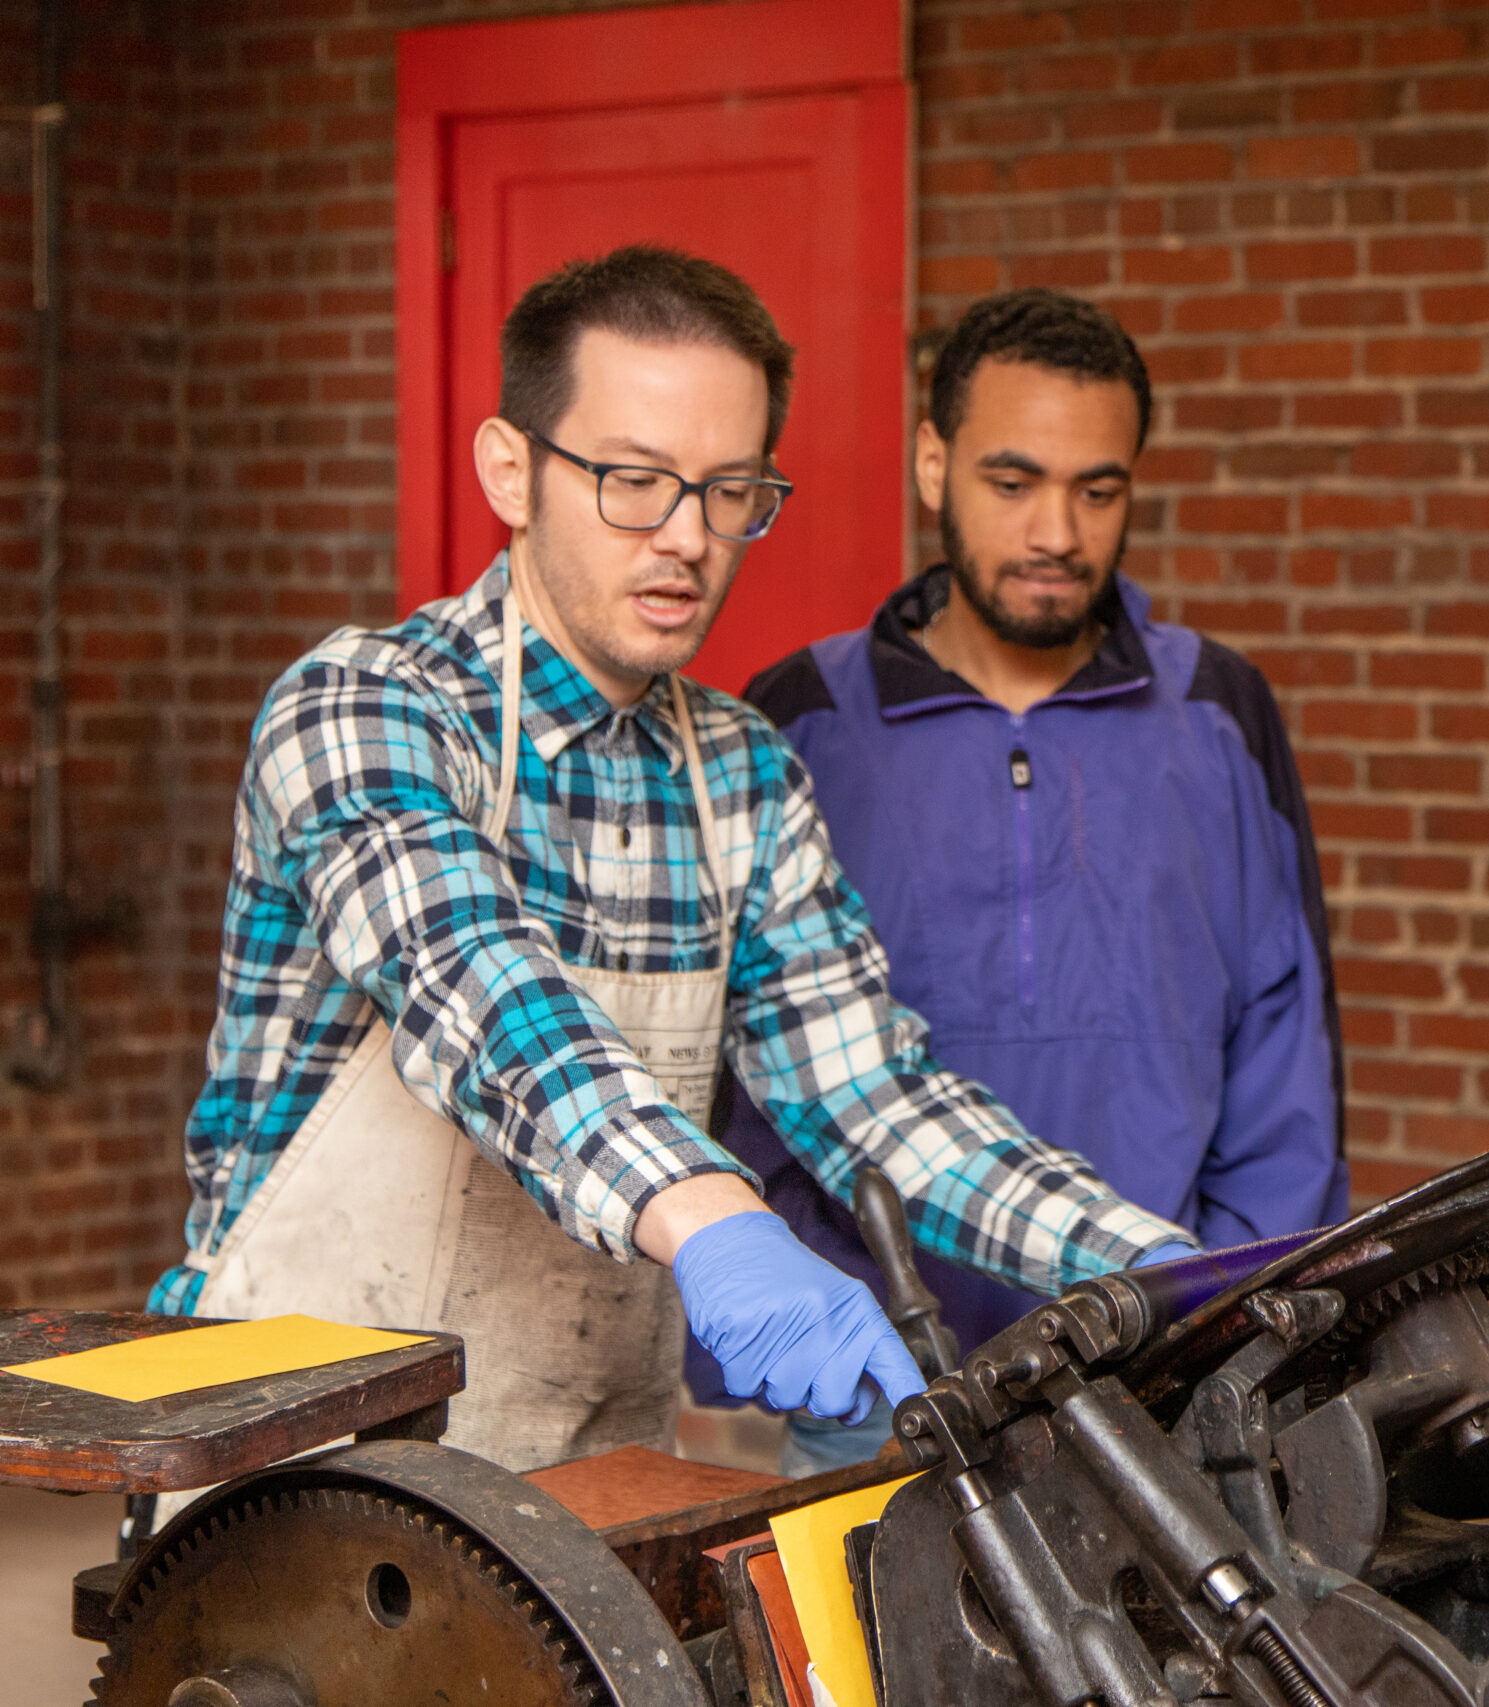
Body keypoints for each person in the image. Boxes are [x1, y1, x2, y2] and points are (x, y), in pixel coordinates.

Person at [155, 247, 1198, 1474]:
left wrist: (1146, 1264)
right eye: (635, 483)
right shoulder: (362, 709)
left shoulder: (742, 777)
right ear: (512, 470)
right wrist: (716, 1222)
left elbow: (875, 1100)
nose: (690, 539)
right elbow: (480, 988)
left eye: (730, 491)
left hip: (586, 1485)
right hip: (292, 1463)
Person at [698, 288, 1348, 1474]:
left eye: (1098, 490)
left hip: (1163, 1372)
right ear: (932, 463)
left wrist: (1228, 1316)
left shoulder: (1219, 712)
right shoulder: (796, 718)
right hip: (880, 1385)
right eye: (1013, 482)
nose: (1058, 529)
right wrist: (834, 1316)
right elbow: (753, 1074)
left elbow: (1284, 1056)